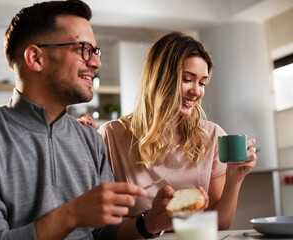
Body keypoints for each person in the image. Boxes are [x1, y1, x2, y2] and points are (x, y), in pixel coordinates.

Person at [0, 1, 154, 239]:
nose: (96, 63)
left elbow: (105, 232)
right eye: (83, 48)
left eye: (95, 51)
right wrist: (71, 215)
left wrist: (149, 223)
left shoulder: (90, 140)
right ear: (35, 58)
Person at [97, 31, 257, 233]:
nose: (196, 91)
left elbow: (219, 225)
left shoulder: (213, 136)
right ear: (159, 78)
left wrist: (235, 178)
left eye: (202, 83)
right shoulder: (111, 136)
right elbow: (103, 229)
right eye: (187, 79)